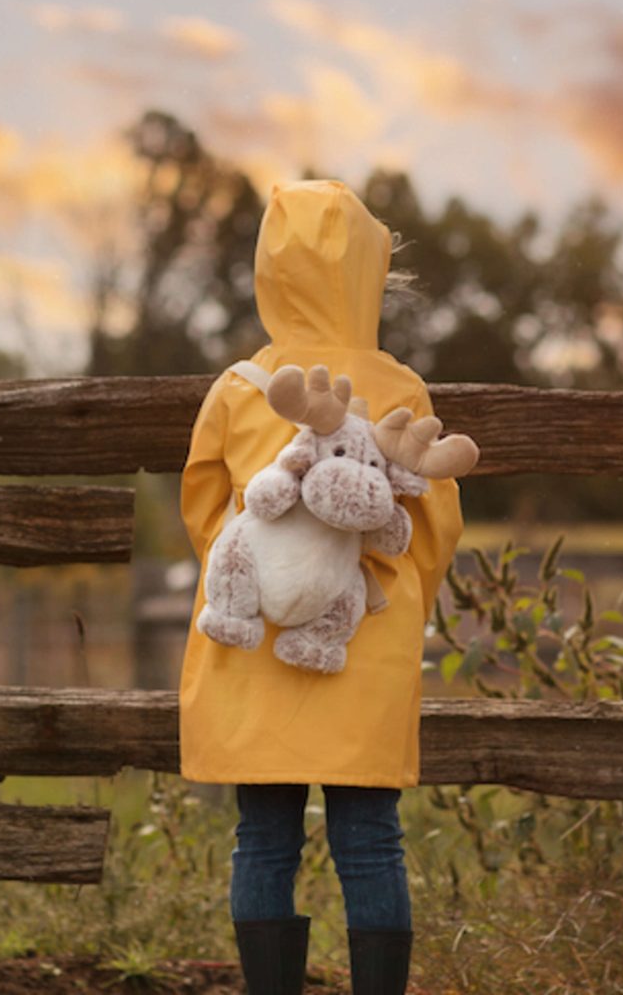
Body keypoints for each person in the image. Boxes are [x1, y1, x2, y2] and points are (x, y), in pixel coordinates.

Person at [179, 179, 465, 994]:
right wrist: (394, 596)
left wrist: (261, 580)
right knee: (370, 837)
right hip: (359, 641)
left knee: (262, 837)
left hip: (253, 644)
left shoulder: (239, 387)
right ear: (368, 275)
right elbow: (434, 530)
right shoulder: (400, 387)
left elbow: (204, 509)